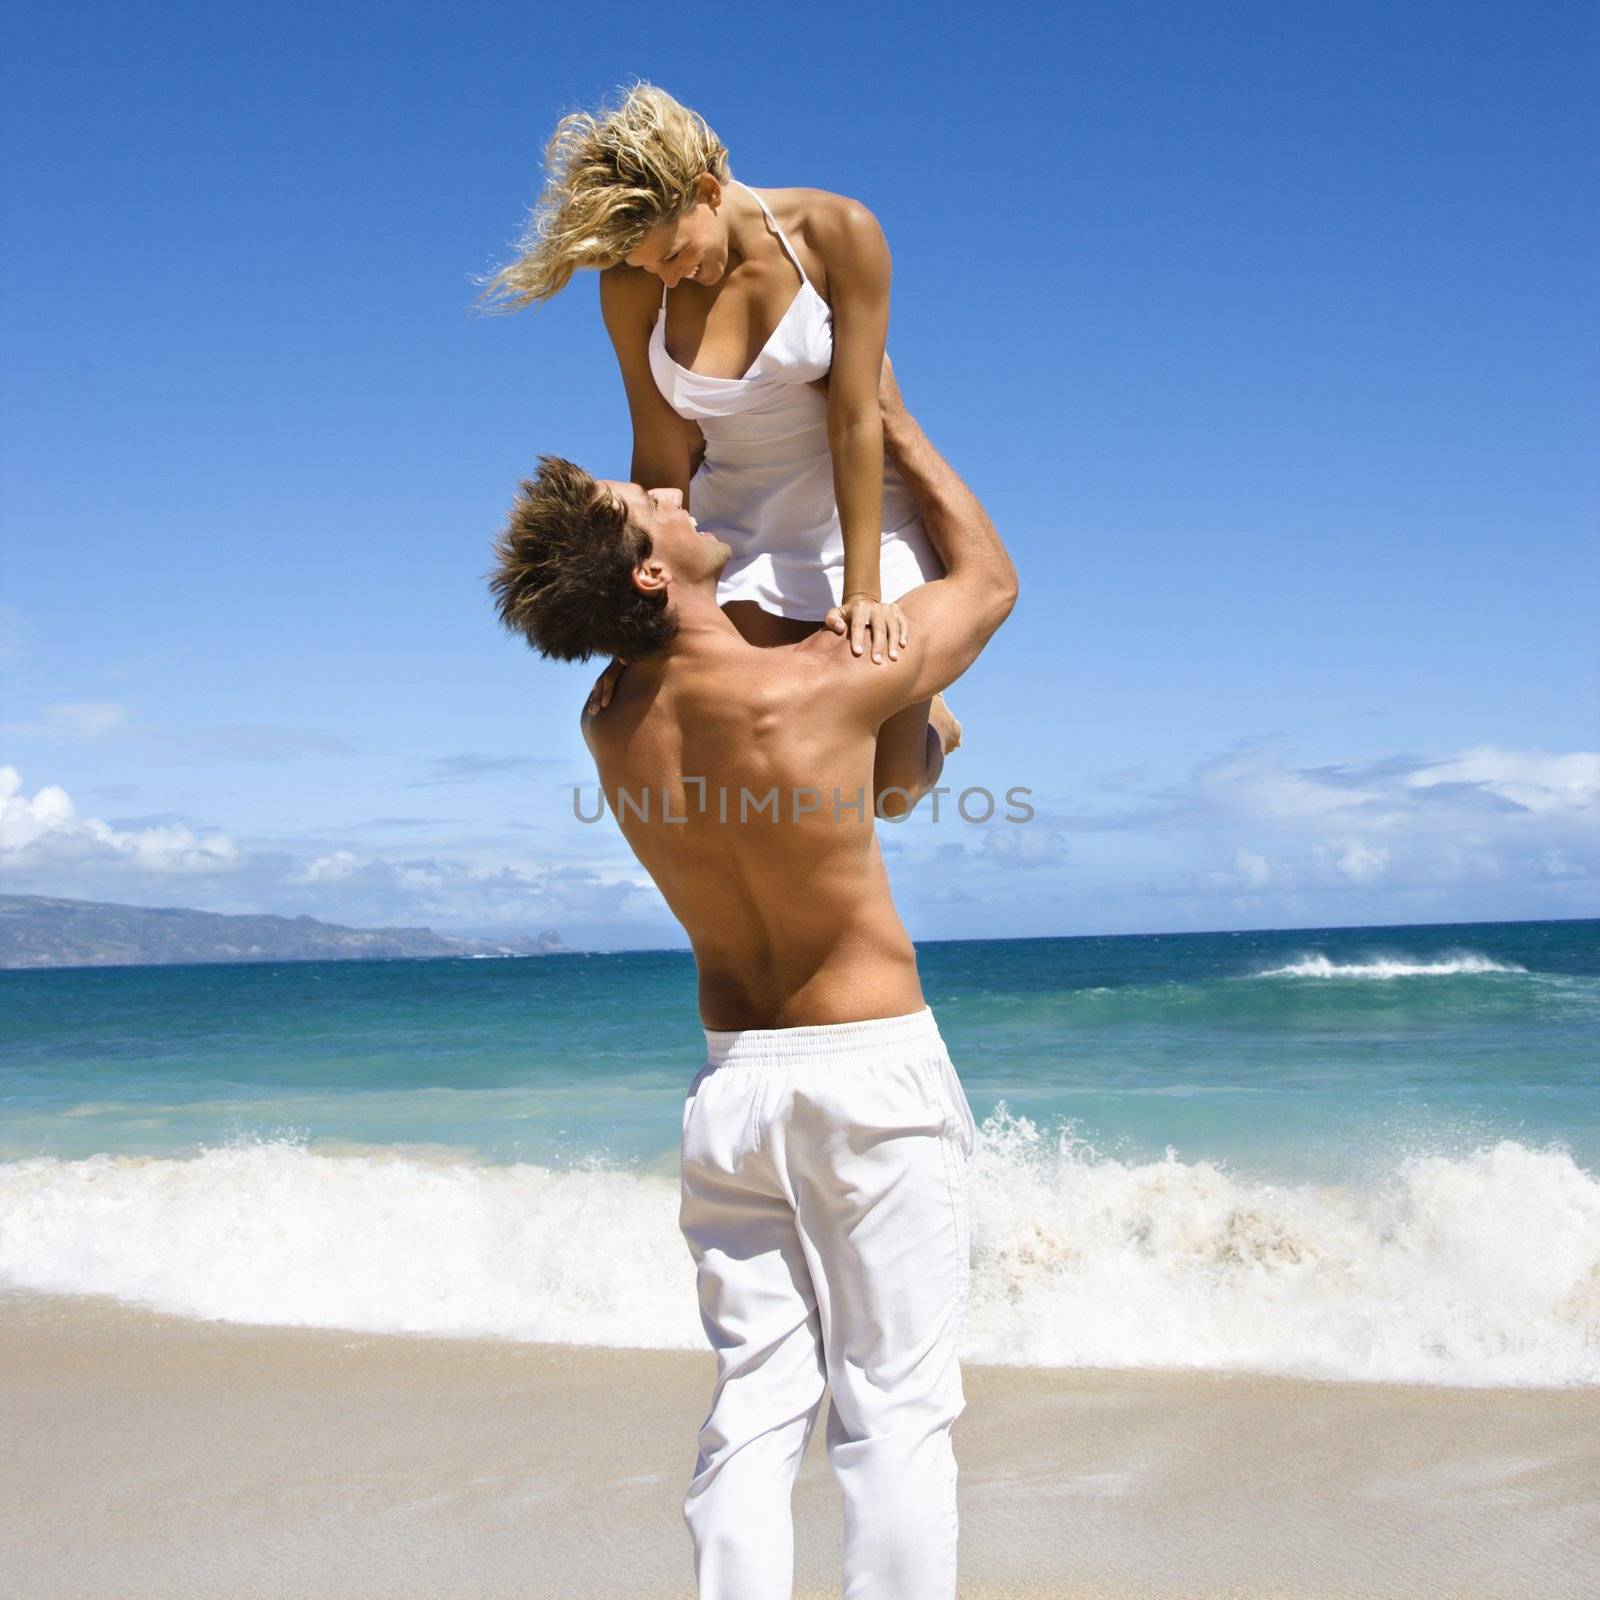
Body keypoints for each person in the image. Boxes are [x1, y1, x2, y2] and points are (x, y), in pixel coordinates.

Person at [487, 358, 1016, 1599]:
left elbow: (852, 786)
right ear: (648, 575)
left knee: (756, 1405)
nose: (673, 493)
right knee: (893, 1408)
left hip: (732, 1093)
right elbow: (987, 584)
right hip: (869, 1079)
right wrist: (893, 424)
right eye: (651, 508)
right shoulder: (811, 687)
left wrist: (907, 724)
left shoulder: (609, 722)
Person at [477, 82, 961, 818]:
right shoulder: (633, 285)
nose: (666, 276)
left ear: (706, 190)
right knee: (764, 771)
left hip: (863, 515)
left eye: (673, 253)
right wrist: (630, 644)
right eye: (649, 266)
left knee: (886, 795)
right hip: (736, 528)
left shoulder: (838, 231)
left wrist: (863, 591)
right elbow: (659, 451)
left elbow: (858, 419)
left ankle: (936, 722)